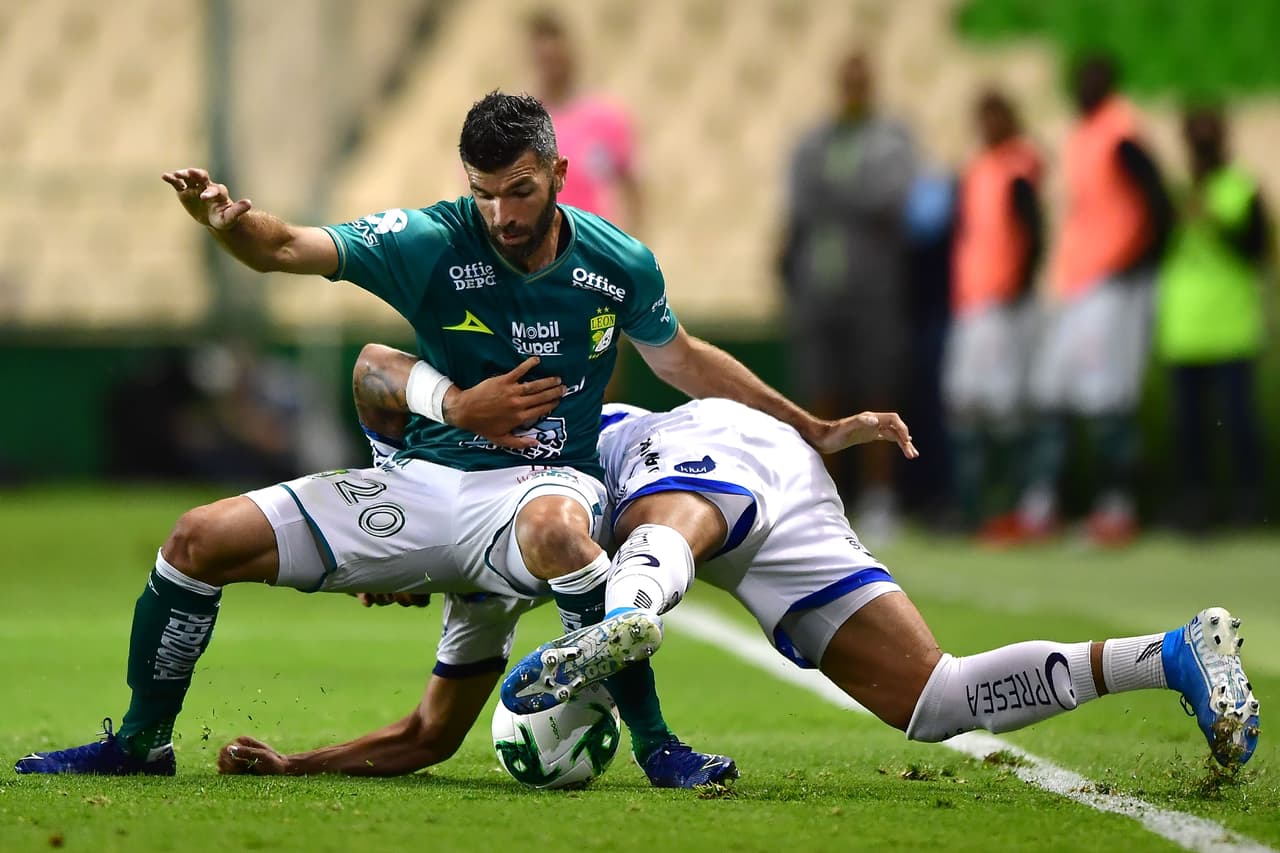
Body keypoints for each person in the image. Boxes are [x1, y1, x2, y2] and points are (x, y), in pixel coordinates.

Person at [14, 92, 876, 786]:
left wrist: (810, 425)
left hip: (543, 484)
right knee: (195, 538)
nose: (501, 213)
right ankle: (140, 741)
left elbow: (682, 359)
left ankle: (659, 747)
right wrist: (225, 222)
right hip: (423, 487)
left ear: (559, 174)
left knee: (558, 532)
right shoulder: (430, 240)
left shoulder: (618, 263)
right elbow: (281, 248)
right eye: (484, 191)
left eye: (520, 190)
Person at [215, 345, 1259, 776]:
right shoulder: (473, 604)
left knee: (662, 524)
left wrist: (807, 419)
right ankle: (1167, 653)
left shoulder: (480, 479)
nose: (373, 587)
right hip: (779, 510)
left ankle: (634, 604)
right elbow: (426, 733)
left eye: (369, 568)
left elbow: (377, 371)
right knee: (930, 700)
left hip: (698, 453)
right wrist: (290, 767)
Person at [1013, 55, 1173, 547]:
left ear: (1110, 83)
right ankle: (1043, 506)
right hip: (1077, 285)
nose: (1085, 85)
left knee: (1107, 399)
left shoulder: (1120, 132)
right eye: (1080, 76)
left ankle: (1116, 508)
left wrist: (1136, 265)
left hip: (1113, 286)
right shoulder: (1082, 134)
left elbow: (1159, 203)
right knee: (1052, 392)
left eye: (1094, 77)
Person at [779, 48, 918, 544]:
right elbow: (799, 207)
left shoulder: (891, 138)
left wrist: (836, 193)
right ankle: (828, 498)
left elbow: (890, 199)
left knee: (877, 389)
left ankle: (880, 497)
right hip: (821, 287)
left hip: (876, 288)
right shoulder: (814, 142)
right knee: (824, 393)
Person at [1155, 105, 1272, 532]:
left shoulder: (1240, 187)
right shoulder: (1175, 192)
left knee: (1239, 425)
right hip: (1183, 328)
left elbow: (1258, 249)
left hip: (1230, 327)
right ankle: (1194, 506)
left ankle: (1249, 506)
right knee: (1188, 432)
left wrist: (1215, 221)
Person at [944, 89, 1043, 536]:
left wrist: (1017, 289)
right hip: (972, 303)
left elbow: (1034, 232)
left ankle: (1012, 506)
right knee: (965, 403)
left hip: (1003, 307)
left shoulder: (1019, 167)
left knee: (1005, 409)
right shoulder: (977, 169)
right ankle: (975, 506)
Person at [527, 11, 643, 232]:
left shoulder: (607, 117)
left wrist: (630, 249)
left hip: (596, 252)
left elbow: (632, 190)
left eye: (556, 57)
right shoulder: (517, 125)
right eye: (544, 59)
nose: (552, 67)